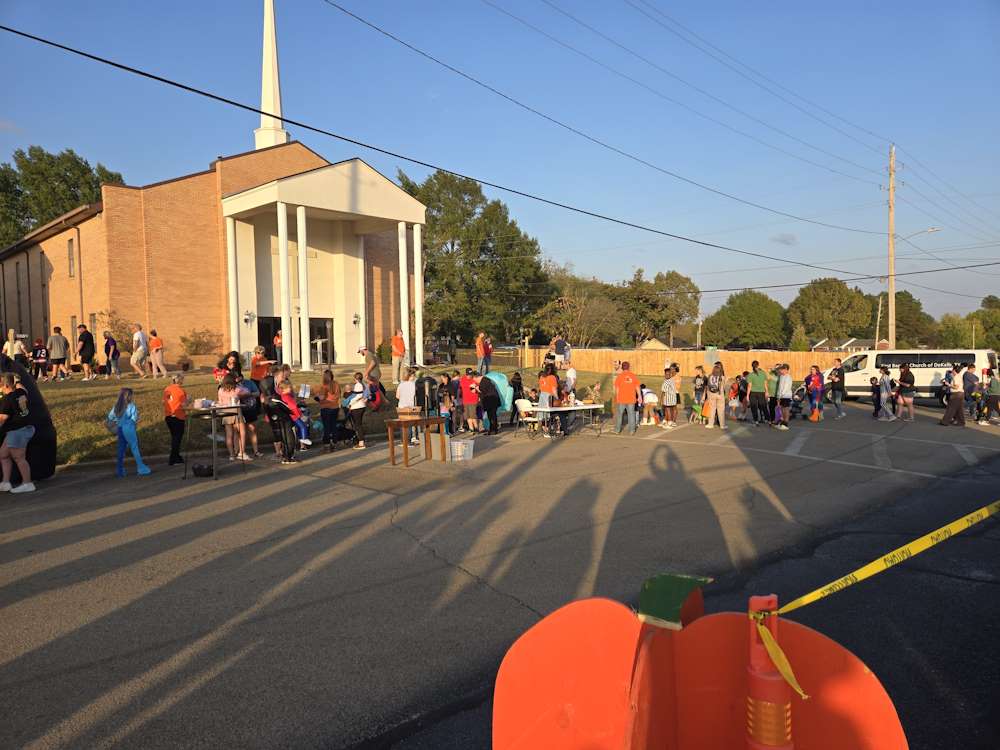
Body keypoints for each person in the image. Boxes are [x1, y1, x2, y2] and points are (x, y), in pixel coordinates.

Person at [0, 373, 35, 493]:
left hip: (17, 431)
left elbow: (2, 419)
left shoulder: (6, 400)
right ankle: (5, 482)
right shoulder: (21, 392)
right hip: (24, 428)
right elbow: (21, 387)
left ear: (5, 385)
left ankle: (27, 483)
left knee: (19, 458)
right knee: (3, 454)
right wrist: (16, 380)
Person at [108, 387, 151, 477]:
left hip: (120, 428)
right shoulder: (131, 406)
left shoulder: (116, 406)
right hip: (129, 428)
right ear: (128, 396)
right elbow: (134, 419)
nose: (132, 397)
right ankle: (141, 468)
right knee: (135, 448)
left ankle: (120, 470)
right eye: (131, 395)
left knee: (121, 449)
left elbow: (110, 417)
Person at [219, 373, 251, 460]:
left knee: (229, 435)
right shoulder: (237, 389)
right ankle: (242, 452)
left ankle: (232, 454)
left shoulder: (221, 390)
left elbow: (220, 402)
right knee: (241, 432)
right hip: (237, 411)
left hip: (226, 412)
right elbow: (248, 391)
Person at [163, 374, 189, 465]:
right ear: (180, 381)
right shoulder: (181, 391)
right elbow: (184, 405)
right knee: (177, 438)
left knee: (174, 437)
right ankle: (173, 458)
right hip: (178, 416)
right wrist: (188, 400)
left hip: (168, 415)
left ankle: (177, 456)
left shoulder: (167, 389)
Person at [315, 369, 342, 450]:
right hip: (335, 407)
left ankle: (327, 444)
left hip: (325, 407)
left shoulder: (324, 386)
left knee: (326, 427)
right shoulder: (336, 384)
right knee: (333, 426)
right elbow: (339, 394)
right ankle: (335, 442)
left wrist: (316, 398)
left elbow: (322, 397)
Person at [613, 361, 640, 435]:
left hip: (621, 399)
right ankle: (632, 431)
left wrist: (617, 397)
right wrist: (640, 396)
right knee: (631, 415)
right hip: (631, 399)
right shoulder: (633, 376)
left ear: (622, 367)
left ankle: (617, 430)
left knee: (619, 415)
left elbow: (617, 388)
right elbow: (637, 387)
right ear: (629, 367)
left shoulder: (620, 376)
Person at [396, 368, 421, 445]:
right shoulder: (414, 384)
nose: (414, 377)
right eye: (413, 375)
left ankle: (403, 440)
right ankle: (409, 440)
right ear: (411, 376)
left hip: (401, 406)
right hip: (411, 406)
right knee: (410, 424)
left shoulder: (401, 384)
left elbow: (397, 396)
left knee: (403, 424)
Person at [347, 372, 368, 449]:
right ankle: (361, 441)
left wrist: (350, 403)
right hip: (362, 406)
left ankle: (361, 443)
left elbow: (357, 396)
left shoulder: (358, 385)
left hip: (357, 407)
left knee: (358, 425)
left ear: (355, 378)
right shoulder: (363, 384)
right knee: (359, 425)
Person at [704, 363, 727, 429]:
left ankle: (710, 424)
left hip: (711, 394)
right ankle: (722, 425)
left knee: (712, 409)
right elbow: (723, 386)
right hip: (720, 394)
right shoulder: (722, 377)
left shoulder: (709, 376)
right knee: (721, 410)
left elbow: (708, 386)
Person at [746, 360, 769, 426]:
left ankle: (756, 421)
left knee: (754, 407)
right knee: (764, 406)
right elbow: (765, 384)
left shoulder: (750, 375)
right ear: (758, 365)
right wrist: (767, 392)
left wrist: (747, 395)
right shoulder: (763, 373)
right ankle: (768, 420)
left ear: (752, 366)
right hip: (761, 392)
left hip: (753, 393)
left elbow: (749, 386)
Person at [460, 367, 481, 433]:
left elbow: (478, 388)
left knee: (473, 415)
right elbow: (460, 387)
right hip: (465, 400)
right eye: (469, 374)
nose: (470, 376)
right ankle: (471, 428)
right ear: (466, 374)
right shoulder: (463, 379)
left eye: (471, 374)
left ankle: (476, 428)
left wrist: (476, 389)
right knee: (467, 416)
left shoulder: (474, 380)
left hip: (473, 400)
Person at [773, 364, 793, 430]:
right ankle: (782, 422)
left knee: (786, 409)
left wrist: (781, 395)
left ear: (786, 370)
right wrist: (778, 396)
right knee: (782, 409)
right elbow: (780, 387)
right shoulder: (781, 376)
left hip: (786, 396)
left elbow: (786, 387)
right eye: (780, 369)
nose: (780, 371)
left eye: (781, 369)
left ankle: (786, 424)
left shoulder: (788, 377)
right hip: (781, 396)